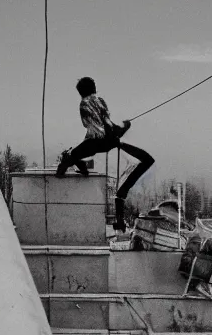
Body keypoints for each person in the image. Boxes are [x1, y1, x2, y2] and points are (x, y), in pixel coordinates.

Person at [55, 77, 154, 233]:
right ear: (94, 88)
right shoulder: (99, 101)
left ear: (81, 92)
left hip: (95, 142)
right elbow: (108, 124)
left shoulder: (84, 104)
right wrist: (124, 128)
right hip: (106, 141)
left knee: (72, 155)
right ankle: (77, 164)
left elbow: (94, 127)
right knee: (125, 182)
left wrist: (116, 132)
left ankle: (69, 166)